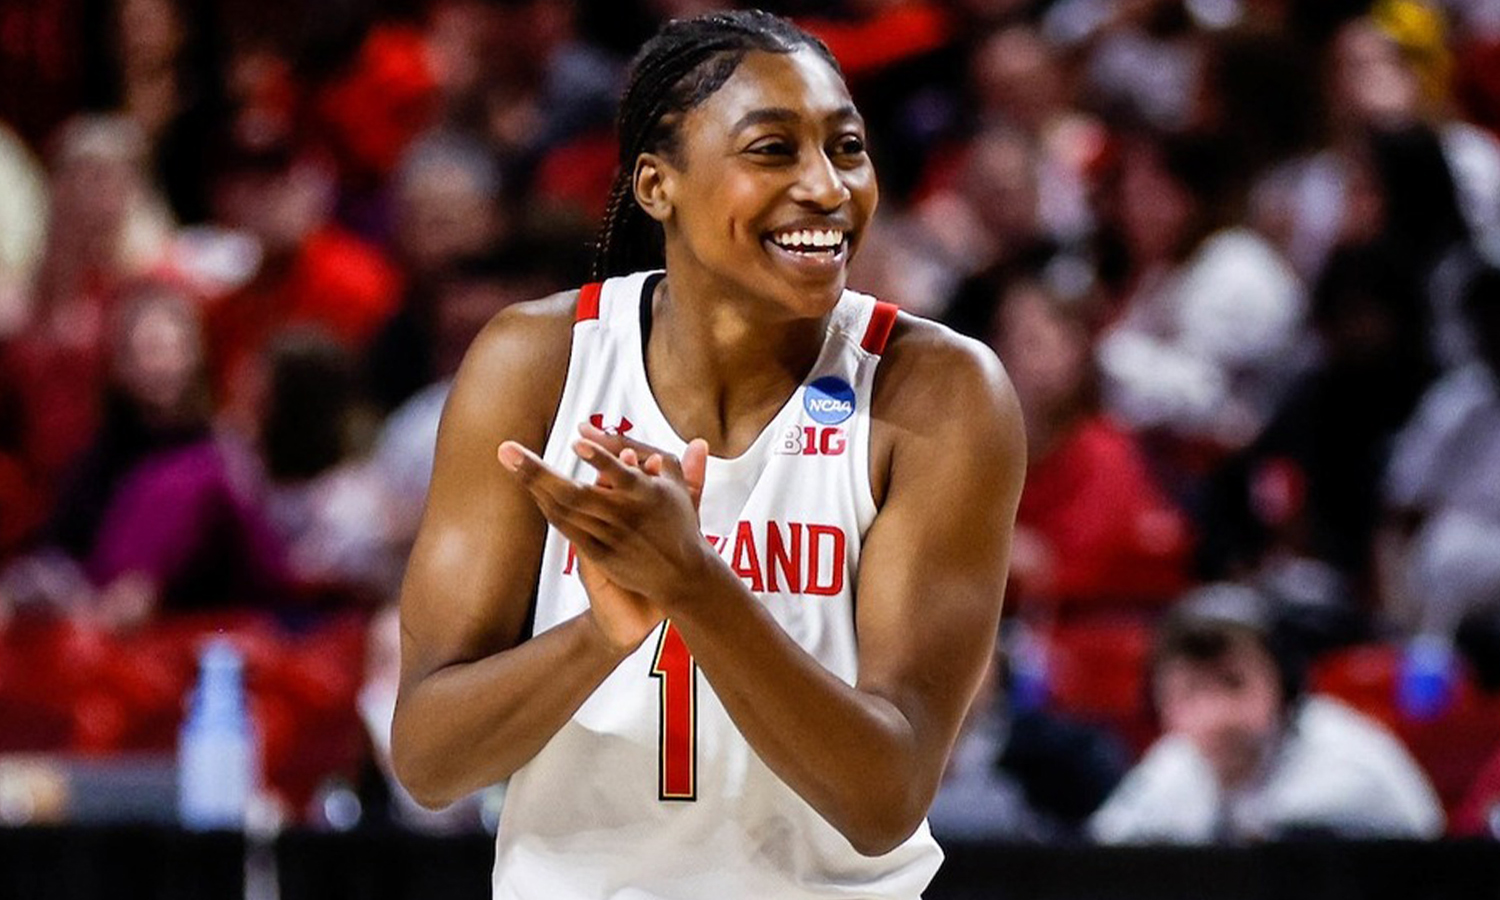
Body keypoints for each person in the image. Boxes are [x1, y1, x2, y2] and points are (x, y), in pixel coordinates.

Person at [392, 10, 1024, 900]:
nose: (827, 187)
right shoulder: (537, 364)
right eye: (773, 150)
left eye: (847, 148)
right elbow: (428, 758)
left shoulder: (940, 392)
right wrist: (602, 632)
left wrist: (694, 585)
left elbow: (887, 795)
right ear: (657, 185)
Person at [1089, 583, 1444, 844]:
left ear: (1285, 686)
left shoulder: (1350, 759)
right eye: (1190, 692)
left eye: (1234, 684)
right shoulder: (1175, 764)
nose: (1216, 715)